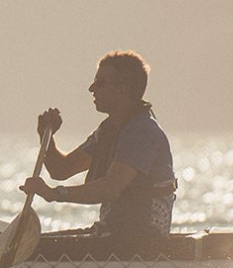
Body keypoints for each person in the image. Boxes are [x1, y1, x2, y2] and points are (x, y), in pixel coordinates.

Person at [21, 50, 175, 237]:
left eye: (100, 83)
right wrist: (47, 138)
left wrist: (54, 194)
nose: (92, 89)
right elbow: (61, 169)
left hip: (143, 241)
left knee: (39, 247)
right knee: (36, 242)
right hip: (112, 235)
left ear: (123, 89)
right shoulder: (108, 131)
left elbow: (112, 188)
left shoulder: (142, 132)